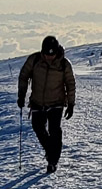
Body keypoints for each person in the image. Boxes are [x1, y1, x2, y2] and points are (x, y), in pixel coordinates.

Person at [18, 36, 76, 173]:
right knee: (38, 127)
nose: (49, 57)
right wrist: (21, 95)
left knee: (55, 131)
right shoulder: (34, 60)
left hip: (56, 102)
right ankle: (50, 151)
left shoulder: (64, 64)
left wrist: (71, 104)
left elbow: (70, 84)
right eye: (46, 54)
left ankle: (52, 161)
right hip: (37, 102)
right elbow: (24, 76)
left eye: (52, 54)